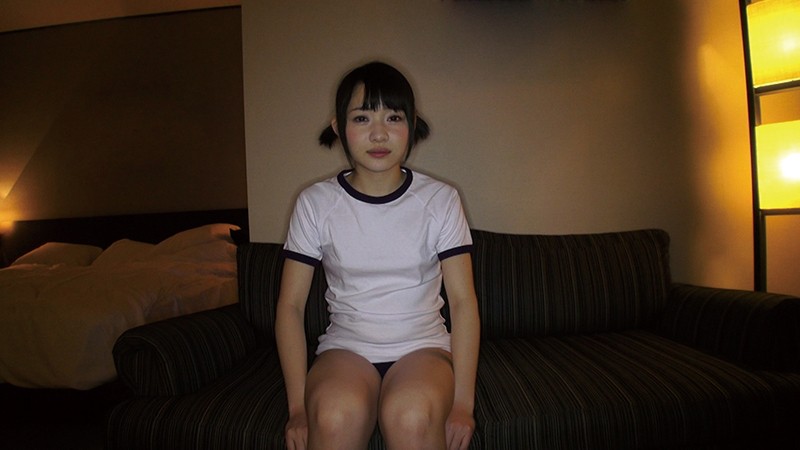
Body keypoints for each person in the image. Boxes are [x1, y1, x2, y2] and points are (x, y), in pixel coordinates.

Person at [275, 61, 480, 450]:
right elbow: (290, 305)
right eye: (362, 118)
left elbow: (463, 302)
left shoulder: (440, 199)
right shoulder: (315, 203)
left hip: (424, 349)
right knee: (333, 416)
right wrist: (298, 408)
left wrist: (463, 405)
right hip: (345, 350)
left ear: (411, 124)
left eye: (393, 117)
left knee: (411, 415)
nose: (379, 133)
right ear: (339, 127)